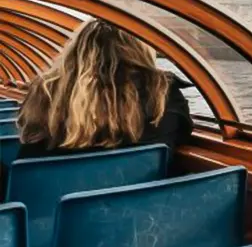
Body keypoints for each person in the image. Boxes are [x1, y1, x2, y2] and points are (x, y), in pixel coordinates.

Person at [17, 19, 192, 160]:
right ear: (140, 50)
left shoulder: (46, 91)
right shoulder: (163, 93)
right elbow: (182, 133)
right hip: (137, 200)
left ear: (76, 51)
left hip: (44, 199)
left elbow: (29, 143)